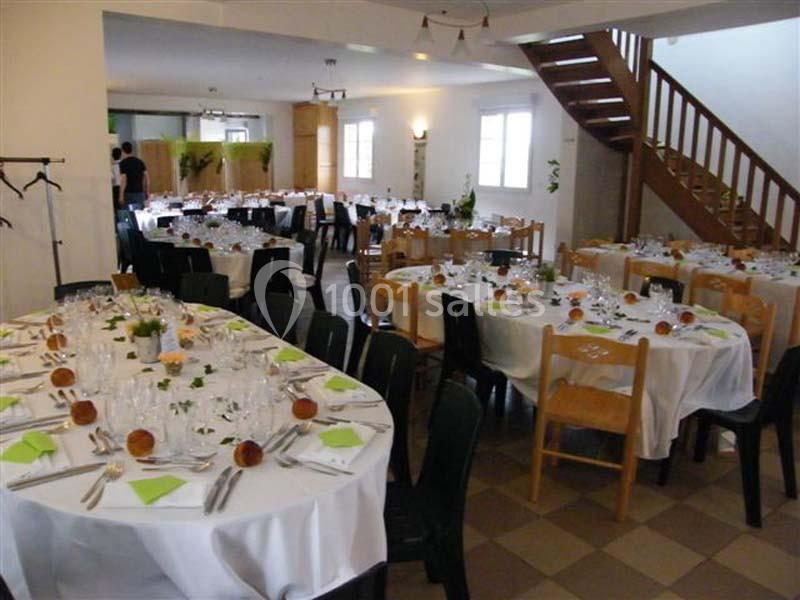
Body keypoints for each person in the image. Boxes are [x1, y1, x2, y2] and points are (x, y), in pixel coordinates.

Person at [118, 141, 149, 208]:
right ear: (131, 150)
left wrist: (121, 196)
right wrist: (147, 191)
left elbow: (124, 180)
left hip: (128, 193)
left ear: (122, 151)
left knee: (129, 215)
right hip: (139, 193)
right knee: (140, 214)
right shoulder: (140, 162)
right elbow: (146, 178)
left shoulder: (123, 163)